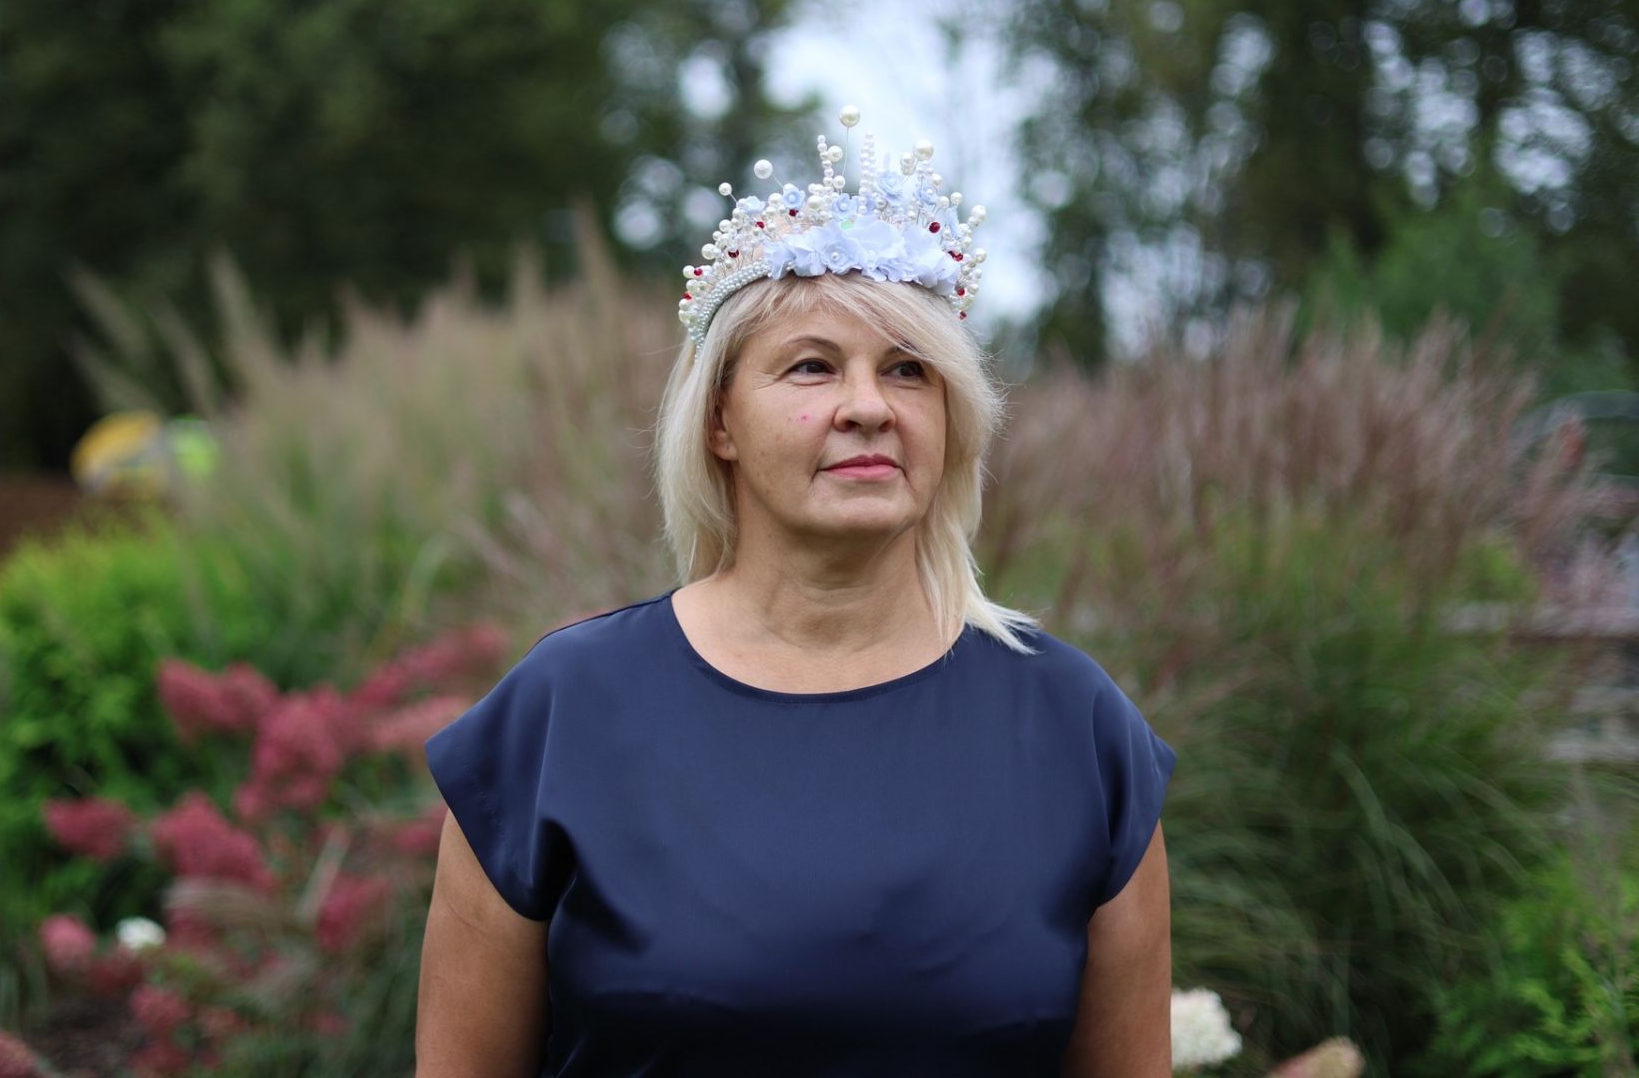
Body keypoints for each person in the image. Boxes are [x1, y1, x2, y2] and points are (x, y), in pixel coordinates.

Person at [416, 107, 1177, 1077]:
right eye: (813, 366)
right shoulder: (564, 712)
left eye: (909, 371)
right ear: (720, 421)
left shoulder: (1077, 728)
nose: (869, 406)